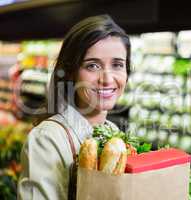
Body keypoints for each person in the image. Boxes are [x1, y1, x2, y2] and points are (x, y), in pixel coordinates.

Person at [17, 15, 131, 200]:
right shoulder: (47, 140)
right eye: (92, 66)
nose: (107, 79)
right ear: (70, 73)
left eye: (117, 64)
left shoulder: (113, 132)